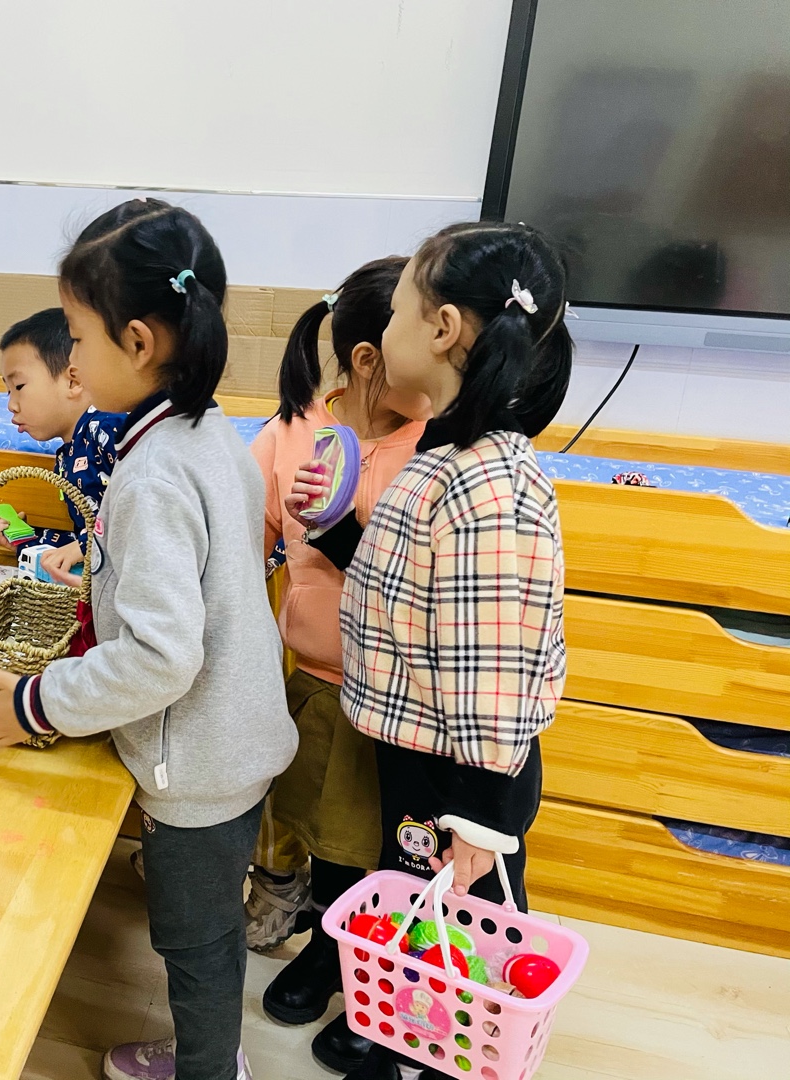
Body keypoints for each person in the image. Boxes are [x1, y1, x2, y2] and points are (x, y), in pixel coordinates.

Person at [0, 198, 296, 1080]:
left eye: (75, 337)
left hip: (200, 763)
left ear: (138, 343)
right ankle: (210, 1057)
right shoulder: (206, 432)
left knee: (195, 939)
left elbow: (161, 657)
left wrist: (34, 704)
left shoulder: (152, 475)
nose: (69, 359)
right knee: (206, 930)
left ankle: (209, 1071)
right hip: (235, 734)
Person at [308, 221, 573, 1080]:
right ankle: (403, 1036)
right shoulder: (447, 453)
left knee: (476, 930)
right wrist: (335, 533)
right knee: (420, 911)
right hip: (424, 759)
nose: (384, 331)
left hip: (468, 777)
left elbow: (494, 667)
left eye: (396, 312)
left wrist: (481, 818)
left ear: (444, 328)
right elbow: (412, 594)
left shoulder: (490, 485)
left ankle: (460, 1053)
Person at [249, 260, 431, 1032]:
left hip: (408, 698)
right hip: (321, 681)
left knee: (387, 841)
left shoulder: (438, 448)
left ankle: (359, 955)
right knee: (326, 829)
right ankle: (328, 940)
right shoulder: (289, 436)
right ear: (368, 358)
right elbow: (244, 548)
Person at [0, 307, 126, 584]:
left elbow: (141, 520)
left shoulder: (110, 429)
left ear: (73, 381)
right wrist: (26, 542)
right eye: (8, 391)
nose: (11, 405)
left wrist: (86, 545)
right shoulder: (67, 455)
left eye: (19, 387)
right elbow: (80, 540)